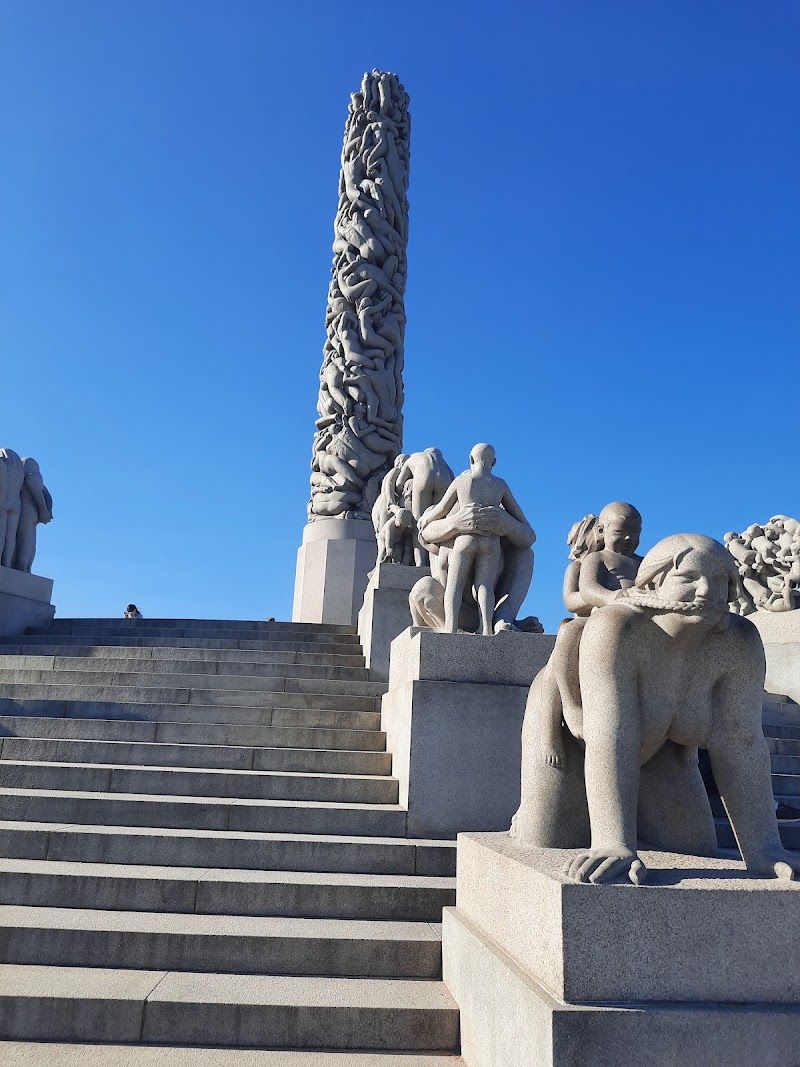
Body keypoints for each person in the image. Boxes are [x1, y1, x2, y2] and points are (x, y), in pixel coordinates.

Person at [513, 534, 800, 885]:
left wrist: (763, 849)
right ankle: (540, 815)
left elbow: (741, 743)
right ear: (653, 583)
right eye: (688, 577)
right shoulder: (617, 628)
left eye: (719, 580)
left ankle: (634, 816)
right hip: (570, 736)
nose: (707, 590)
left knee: (694, 844)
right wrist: (614, 843)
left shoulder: (738, 642)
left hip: (657, 748)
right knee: (548, 836)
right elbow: (610, 733)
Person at [538, 503, 643, 768]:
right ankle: (569, 707)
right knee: (569, 634)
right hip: (592, 622)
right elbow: (580, 594)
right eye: (620, 532)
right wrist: (610, 598)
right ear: (601, 532)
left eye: (635, 532)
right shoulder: (594, 561)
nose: (629, 538)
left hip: (634, 625)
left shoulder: (642, 563)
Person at [419, 444, 526, 636]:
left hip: (465, 540)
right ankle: (486, 628)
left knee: (455, 585)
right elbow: (520, 517)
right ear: (494, 462)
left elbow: (441, 508)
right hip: (490, 540)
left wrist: (426, 518)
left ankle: (451, 627)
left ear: (470, 459)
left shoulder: (462, 481)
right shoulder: (500, 484)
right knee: (485, 586)